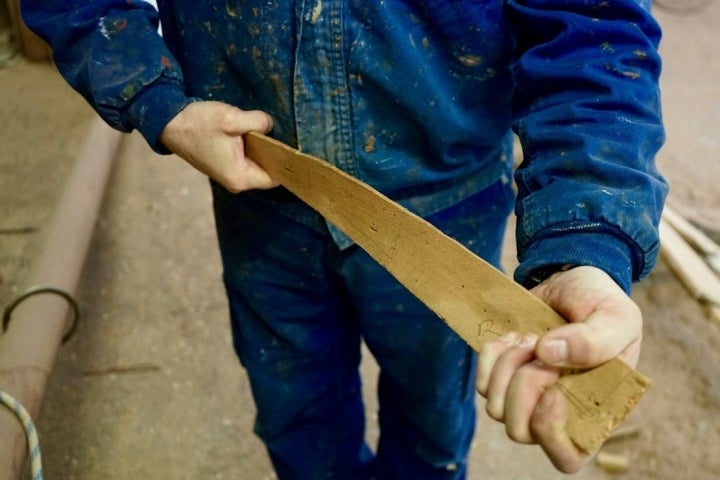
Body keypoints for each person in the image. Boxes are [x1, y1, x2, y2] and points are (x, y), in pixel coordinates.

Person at [22, 0, 667, 478]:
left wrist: (588, 238)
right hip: (264, 196)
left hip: (448, 210)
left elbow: (593, 26)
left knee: (432, 431)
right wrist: (158, 102)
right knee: (300, 423)